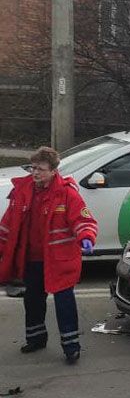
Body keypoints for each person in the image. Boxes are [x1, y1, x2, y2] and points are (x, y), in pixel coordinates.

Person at [0, 147, 98, 365]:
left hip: (59, 260)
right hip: (32, 259)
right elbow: (8, 224)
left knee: (64, 303)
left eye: (41, 169)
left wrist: (86, 237)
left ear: (54, 170)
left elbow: (84, 220)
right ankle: (36, 339)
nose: (35, 173)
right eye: (33, 168)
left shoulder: (66, 192)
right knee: (32, 300)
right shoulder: (22, 190)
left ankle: (71, 347)